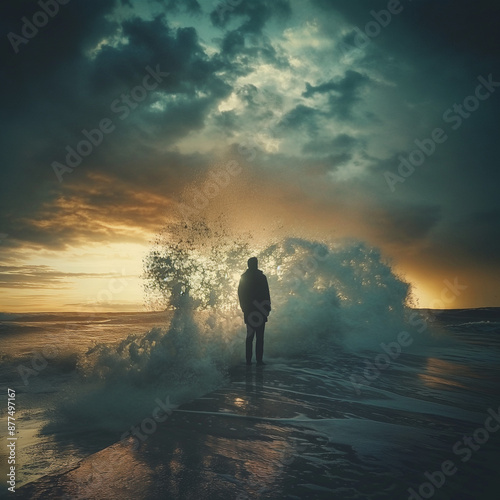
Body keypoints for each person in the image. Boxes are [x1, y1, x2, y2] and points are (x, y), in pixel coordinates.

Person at [238, 257, 271, 366]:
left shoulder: (246, 278)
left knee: (252, 336)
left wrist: (244, 308)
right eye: (255, 263)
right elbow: (266, 294)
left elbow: (241, 295)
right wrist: (267, 307)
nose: (256, 265)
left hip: (252, 310)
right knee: (257, 337)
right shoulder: (261, 277)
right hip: (257, 310)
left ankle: (251, 361)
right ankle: (257, 361)